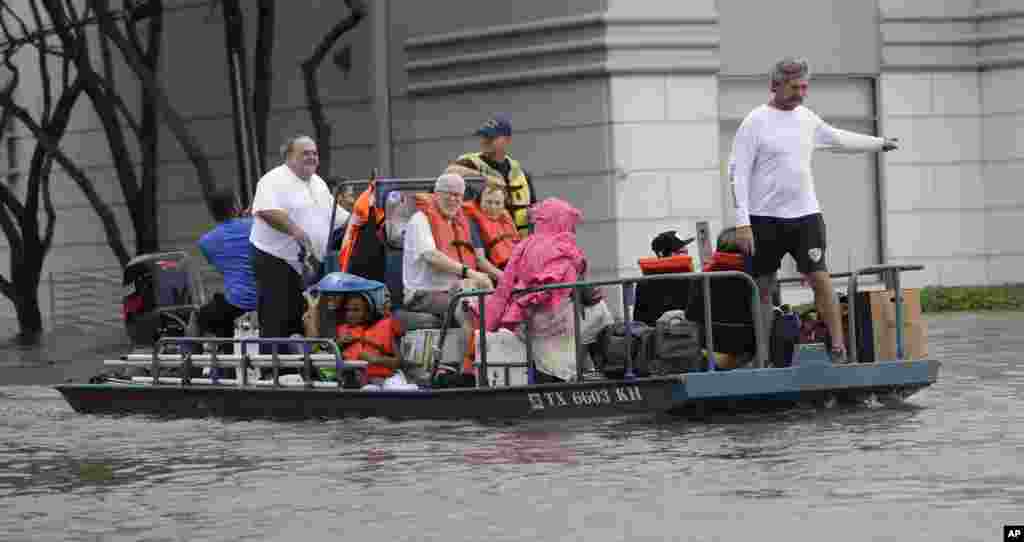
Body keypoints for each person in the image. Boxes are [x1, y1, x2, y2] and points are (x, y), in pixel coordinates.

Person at [729, 57, 899, 362]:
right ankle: (763, 355)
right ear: (775, 86)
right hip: (763, 219)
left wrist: (879, 143)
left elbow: (838, 139)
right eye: (795, 88)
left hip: (805, 217)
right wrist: (742, 223)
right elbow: (737, 172)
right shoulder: (755, 121)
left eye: (805, 87)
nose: (801, 94)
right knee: (763, 287)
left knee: (820, 278)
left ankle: (838, 348)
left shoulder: (807, 118)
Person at [474, 198, 613, 383]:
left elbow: (504, 289)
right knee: (600, 311)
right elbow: (570, 288)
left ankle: (585, 368)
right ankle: (596, 368)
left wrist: (490, 324)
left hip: (524, 318)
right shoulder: (565, 247)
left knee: (585, 313)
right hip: (551, 320)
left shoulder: (523, 246)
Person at [249, 135, 345, 354]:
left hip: (308, 265)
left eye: (314, 153)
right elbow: (266, 211)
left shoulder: (318, 183)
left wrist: (360, 219)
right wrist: (296, 231)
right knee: (277, 319)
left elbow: (336, 217)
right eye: (305, 153)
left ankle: (302, 370)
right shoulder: (273, 179)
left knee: (306, 319)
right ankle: (275, 374)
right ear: (289, 157)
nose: (312, 157)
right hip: (276, 259)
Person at [402, 173, 493, 380]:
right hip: (423, 294)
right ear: (436, 194)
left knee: (488, 301)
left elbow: (477, 259)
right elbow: (432, 256)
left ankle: (498, 365)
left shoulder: (460, 222)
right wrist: (470, 273)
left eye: (458, 196)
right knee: (468, 307)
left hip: (455, 289)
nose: (453, 200)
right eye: (448, 194)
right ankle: (467, 373)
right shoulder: (420, 220)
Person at [447, 114, 537, 237]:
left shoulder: (522, 174)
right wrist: (484, 178)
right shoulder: (470, 162)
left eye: (491, 137)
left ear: (507, 140)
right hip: (486, 246)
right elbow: (450, 171)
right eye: (483, 136)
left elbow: (535, 212)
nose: (485, 141)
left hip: (520, 246)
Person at [197, 189, 257, 346]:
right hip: (264, 302)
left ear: (212, 212)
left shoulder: (206, 242)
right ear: (236, 206)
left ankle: (191, 365)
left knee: (198, 318)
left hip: (234, 304)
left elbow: (225, 269)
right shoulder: (256, 226)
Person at [307, 292, 402, 383]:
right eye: (348, 310)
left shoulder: (381, 328)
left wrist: (376, 359)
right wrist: (339, 344)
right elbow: (320, 353)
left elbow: (399, 362)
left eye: (356, 310)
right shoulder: (339, 331)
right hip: (346, 378)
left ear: (367, 313)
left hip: (380, 379)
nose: (350, 314)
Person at [462, 182, 519, 284]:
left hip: (514, 270)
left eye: (497, 203)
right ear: (479, 202)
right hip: (494, 277)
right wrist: (509, 280)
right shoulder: (473, 222)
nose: (493, 207)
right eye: (488, 202)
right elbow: (480, 261)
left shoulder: (505, 219)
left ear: (503, 205)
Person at [634, 231, 695, 326]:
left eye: (686, 252)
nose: (687, 257)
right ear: (662, 254)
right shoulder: (645, 284)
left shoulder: (644, 282)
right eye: (681, 252)